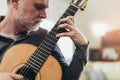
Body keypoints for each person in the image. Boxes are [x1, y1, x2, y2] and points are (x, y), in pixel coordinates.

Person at [0, 0, 89, 80]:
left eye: (45, 9)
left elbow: (67, 78)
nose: (44, 15)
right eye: (38, 7)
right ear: (15, 2)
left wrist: (82, 47)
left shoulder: (44, 37)